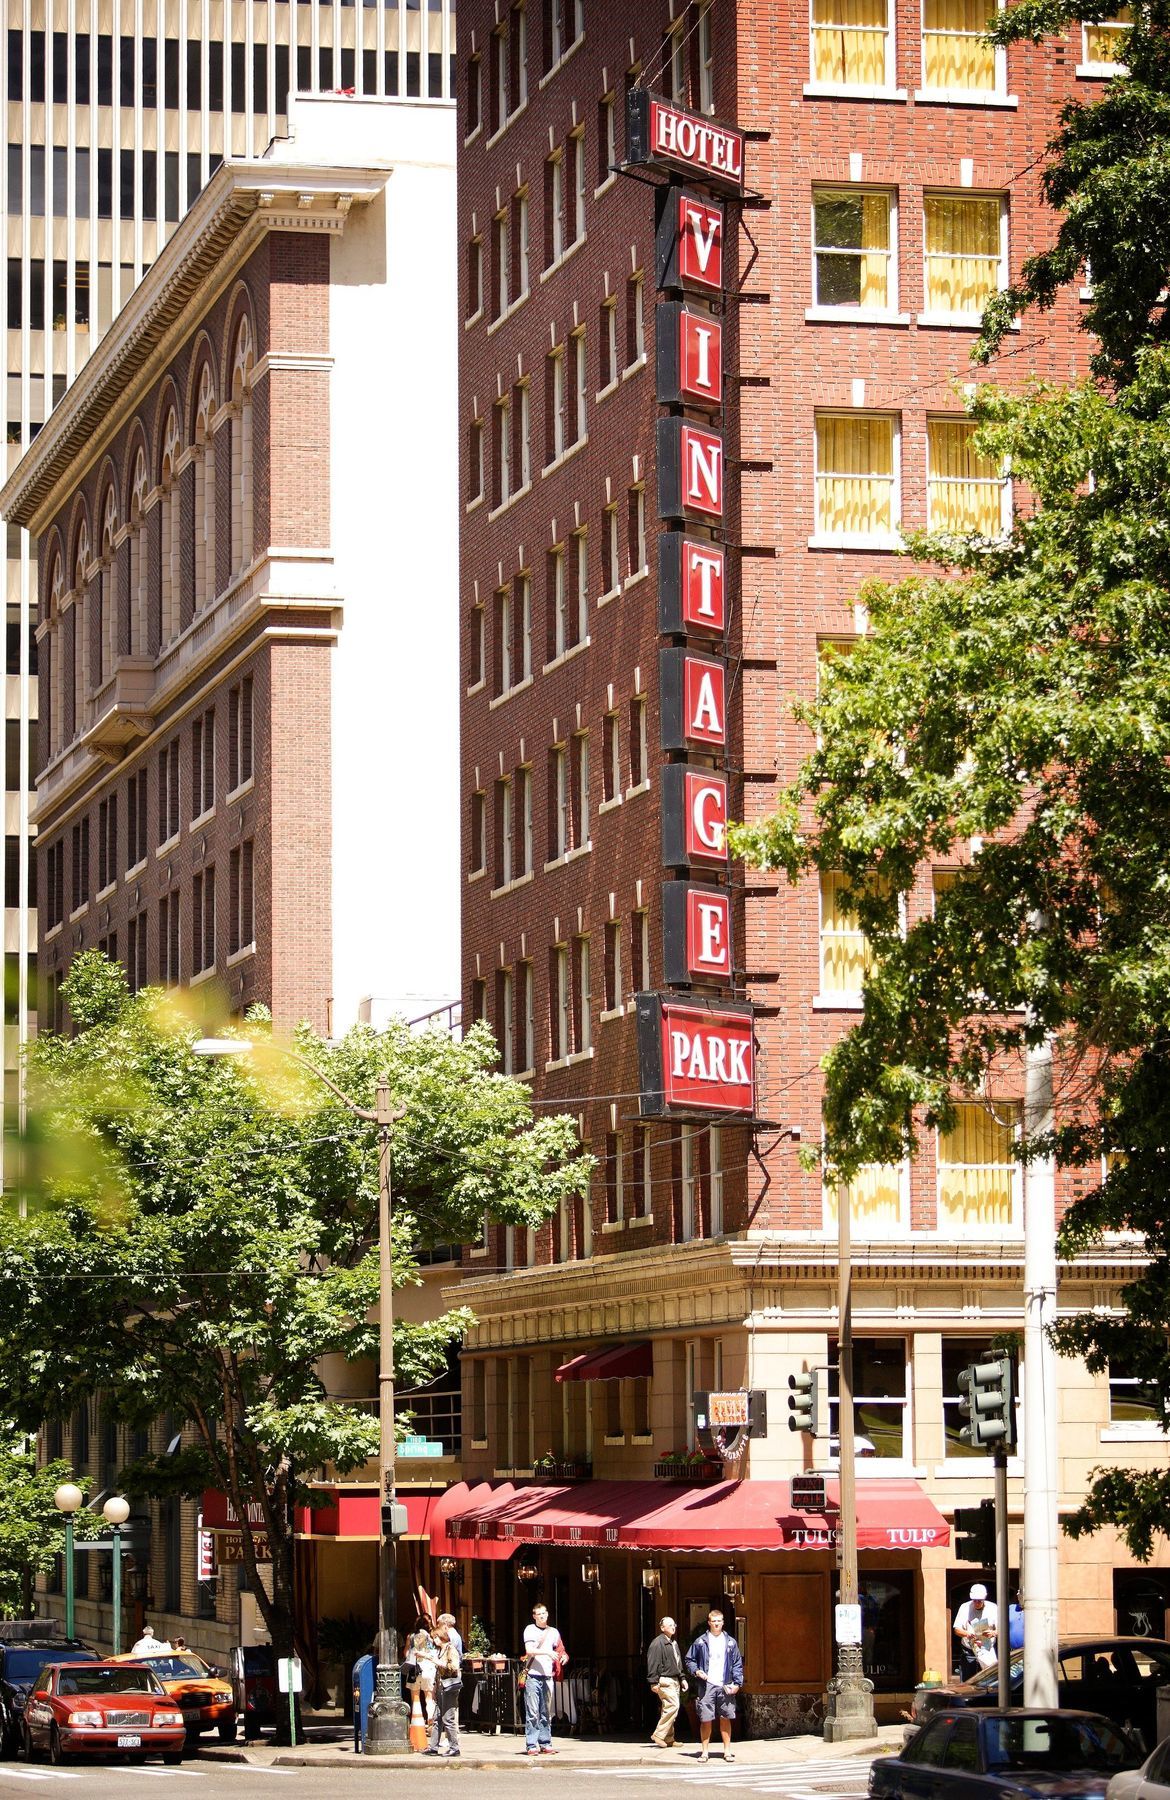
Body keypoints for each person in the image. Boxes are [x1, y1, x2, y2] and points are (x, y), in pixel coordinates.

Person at [685, 1609, 743, 1763]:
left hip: (725, 1684)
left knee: (725, 1717)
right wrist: (697, 1671)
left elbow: (737, 1663)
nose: (716, 1624)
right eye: (714, 1621)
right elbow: (689, 1659)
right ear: (709, 1622)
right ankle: (704, 1752)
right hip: (707, 1685)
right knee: (706, 1719)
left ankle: (727, 1752)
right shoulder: (700, 1641)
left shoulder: (730, 1642)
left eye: (719, 1621)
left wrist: (737, 1683)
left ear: (723, 1622)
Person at [522, 1602, 566, 1757]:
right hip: (533, 1676)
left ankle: (546, 1742)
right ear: (534, 1616)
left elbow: (560, 1650)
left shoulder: (553, 1632)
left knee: (545, 1712)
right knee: (533, 1712)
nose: (541, 1616)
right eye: (538, 1614)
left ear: (547, 1614)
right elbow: (529, 1651)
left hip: (547, 1676)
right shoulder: (530, 1630)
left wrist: (564, 1657)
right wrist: (547, 1653)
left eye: (544, 1613)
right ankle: (531, 1744)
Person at [424, 1621, 462, 1758]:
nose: (434, 1640)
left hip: (450, 1687)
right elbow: (438, 1672)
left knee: (448, 1718)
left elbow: (454, 1667)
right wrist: (434, 1688)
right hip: (441, 1687)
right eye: (433, 1638)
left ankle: (454, 1748)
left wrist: (436, 1661)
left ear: (442, 1637)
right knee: (437, 1718)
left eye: (435, 1637)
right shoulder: (441, 1651)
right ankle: (433, 1747)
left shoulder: (451, 1649)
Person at [647, 1615, 685, 1749]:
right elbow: (653, 1663)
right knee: (673, 1706)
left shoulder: (673, 1643)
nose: (673, 1627)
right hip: (665, 1680)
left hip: (674, 1679)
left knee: (668, 1709)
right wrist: (653, 1682)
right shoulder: (657, 1643)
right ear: (662, 1628)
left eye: (674, 1624)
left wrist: (682, 1678)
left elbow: (677, 1662)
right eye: (670, 1625)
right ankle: (658, 1734)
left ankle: (669, 1738)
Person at [953, 1584, 998, 1679]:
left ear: (984, 1598)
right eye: (974, 1600)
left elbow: (1002, 1629)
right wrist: (968, 1634)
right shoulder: (965, 1607)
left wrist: (993, 1633)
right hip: (969, 1651)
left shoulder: (993, 1608)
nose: (977, 1603)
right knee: (968, 1680)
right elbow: (957, 1629)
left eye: (979, 1601)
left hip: (987, 1649)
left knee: (991, 1678)